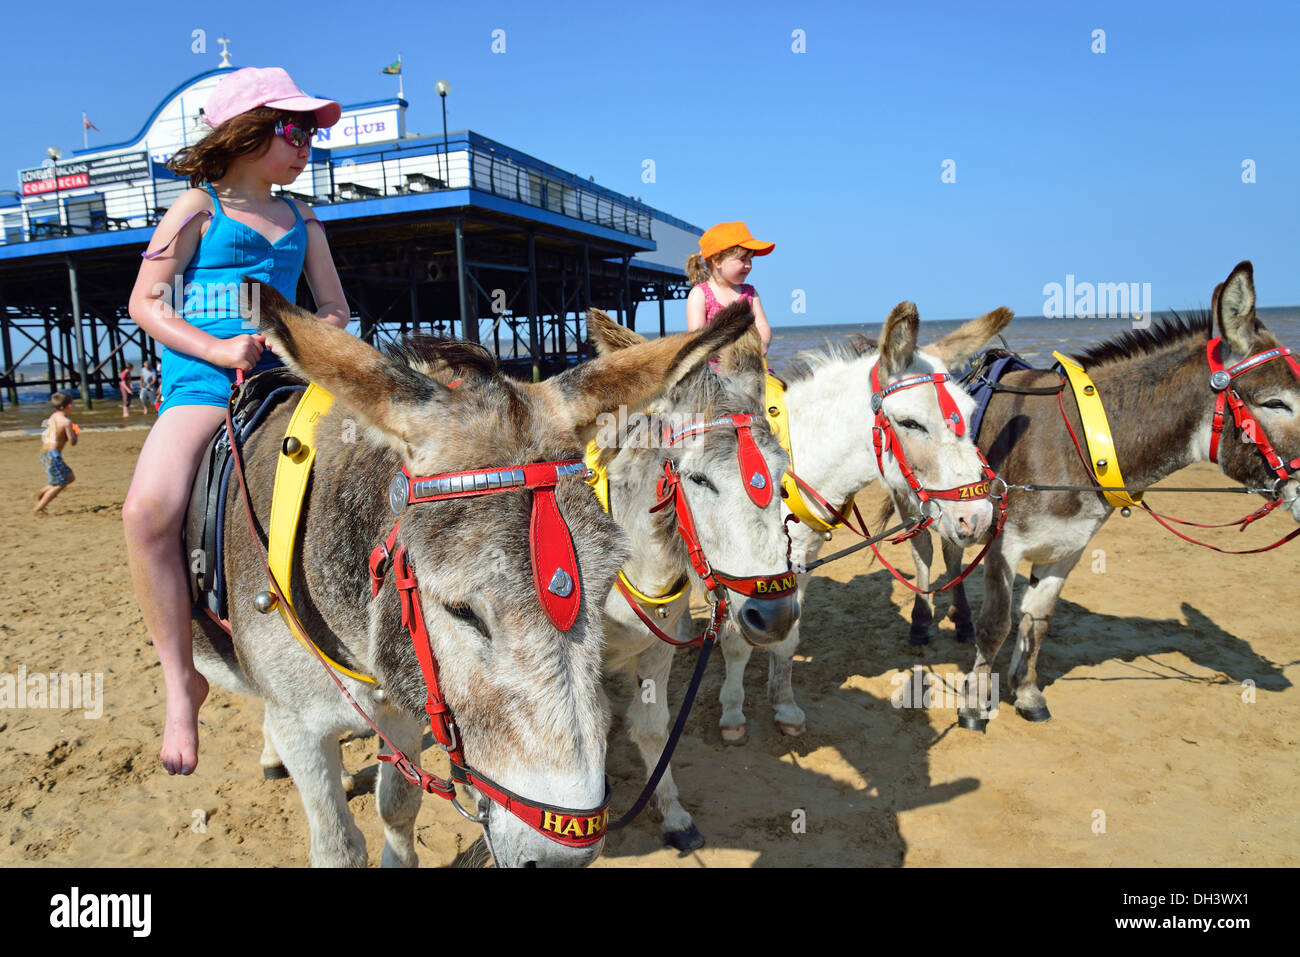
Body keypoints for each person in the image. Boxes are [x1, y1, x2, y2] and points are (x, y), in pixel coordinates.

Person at [121, 67, 349, 776]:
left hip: (285, 378)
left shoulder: (302, 217)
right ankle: (181, 684)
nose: (306, 143)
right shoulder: (196, 207)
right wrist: (219, 346)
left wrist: (303, 338)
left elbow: (335, 308)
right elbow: (147, 302)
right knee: (146, 513)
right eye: (294, 128)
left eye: (311, 132)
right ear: (244, 131)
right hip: (202, 384)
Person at [684, 221, 774, 354]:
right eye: (742, 259)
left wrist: (763, 344)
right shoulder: (700, 294)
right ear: (717, 261)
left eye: (750, 259)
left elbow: (761, 325)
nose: (748, 265)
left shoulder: (750, 293)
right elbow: (696, 336)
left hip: (749, 363)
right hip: (713, 367)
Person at [33, 393, 78, 514]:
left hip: (45, 452)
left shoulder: (52, 416)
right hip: (54, 455)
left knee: (70, 477)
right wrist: (76, 432)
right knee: (61, 484)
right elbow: (72, 441)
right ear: (69, 406)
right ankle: (39, 508)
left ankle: (42, 492)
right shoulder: (66, 422)